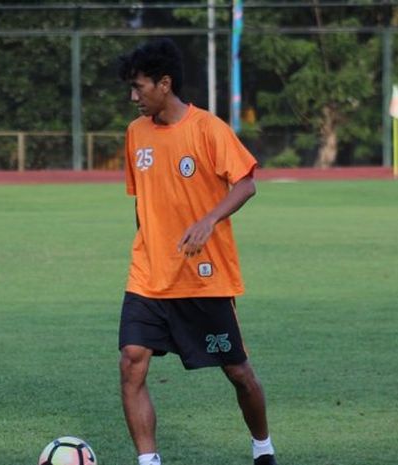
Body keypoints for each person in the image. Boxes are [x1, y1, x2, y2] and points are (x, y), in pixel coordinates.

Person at [117, 38, 278, 465]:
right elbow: (144, 203)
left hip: (203, 275)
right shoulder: (136, 135)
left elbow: (246, 182)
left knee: (238, 373)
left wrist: (209, 220)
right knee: (132, 361)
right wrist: (150, 245)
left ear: (164, 84)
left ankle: (263, 448)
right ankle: (148, 462)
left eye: (139, 87)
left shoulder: (208, 129)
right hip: (149, 274)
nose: (133, 97)